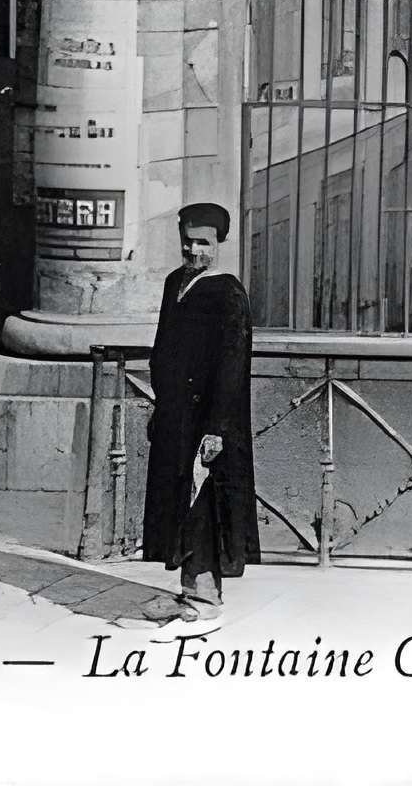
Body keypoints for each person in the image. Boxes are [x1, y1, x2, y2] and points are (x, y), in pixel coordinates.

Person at [140, 204, 257, 629]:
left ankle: (206, 598)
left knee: (203, 506)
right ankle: (188, 590)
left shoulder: (228, 293)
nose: (193, 249)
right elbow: (163, 348)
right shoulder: (175, 283)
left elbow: (232, 366)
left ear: (218, 244)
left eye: (203, 242)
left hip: (208, 422)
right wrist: (161, 405)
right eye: (188, 241)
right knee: (179, 504)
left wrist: (217, 429)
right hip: (176, 417)